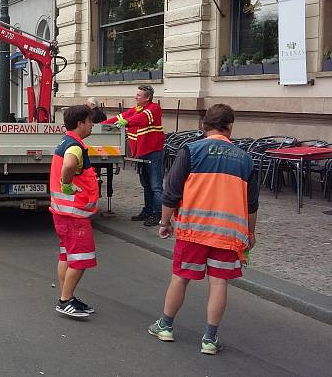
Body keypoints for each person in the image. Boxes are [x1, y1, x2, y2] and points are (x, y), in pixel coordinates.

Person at [148, 104, 258, 355]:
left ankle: (165, 326)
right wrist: (250, 234)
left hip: (193, 231)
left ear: (204, 125)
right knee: (219, 284)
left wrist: (164, 223)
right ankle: (209, 339)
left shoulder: (191, 150)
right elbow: (252, 204)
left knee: (181, 278)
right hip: (229, 234)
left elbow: (171, 191)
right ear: (230, 127)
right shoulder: (245, 159)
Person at [50, 105, 99, 318]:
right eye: (90, 121)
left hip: (62, 213)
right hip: (74, 215)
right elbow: (69, 165)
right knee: (80, 259)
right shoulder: (75, 147)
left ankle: (67, 296)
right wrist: (67, 183)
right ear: (80, 123)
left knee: (67, 256)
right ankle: (64, 300)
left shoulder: (65, 140)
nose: (92, 125)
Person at [102, 84, 164, 226]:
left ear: (147, 98)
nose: (136, 97)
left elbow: (142, 119)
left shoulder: (153, 109)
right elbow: (120, 117)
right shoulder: (136, 109)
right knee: (146, 185)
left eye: (139, 95)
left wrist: (126, 122)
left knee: (156, 186)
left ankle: (158, 214)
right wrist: (101, 125)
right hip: (141, 153)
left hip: (153, 152)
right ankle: (148, 211)